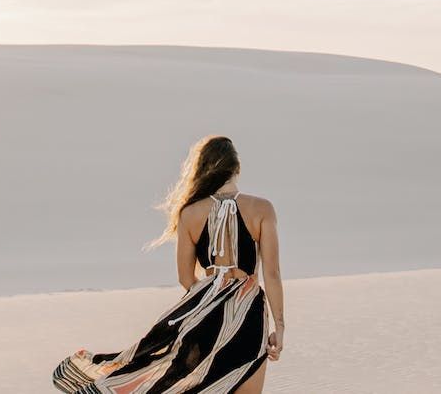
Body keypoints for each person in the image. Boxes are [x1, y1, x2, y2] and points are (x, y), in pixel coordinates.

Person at [53, 135, 285, 393]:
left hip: (205, 314)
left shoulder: (190, 213)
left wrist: (208, 305)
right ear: (237, 168)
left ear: (203, 169)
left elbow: (186, 278)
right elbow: (272, 274)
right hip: (250, 314)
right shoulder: (262, 209)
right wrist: (280, 327)